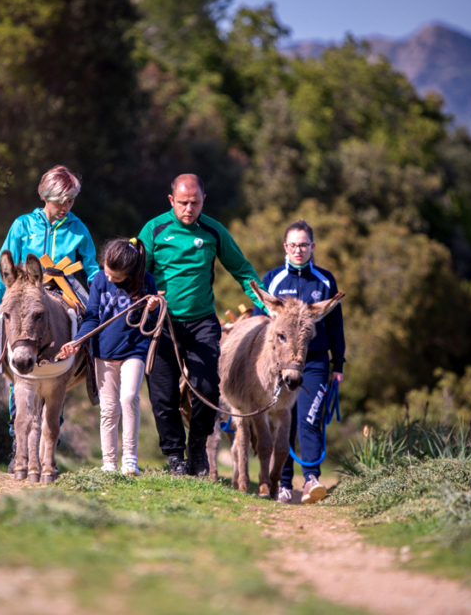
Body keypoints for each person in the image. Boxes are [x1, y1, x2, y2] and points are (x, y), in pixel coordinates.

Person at [138, 174, 266, 477]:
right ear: (171, 201)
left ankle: (197, 447)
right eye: (182, 203)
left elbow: (242, 269)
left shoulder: (213, 231)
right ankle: (174, 457)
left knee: (207, 388)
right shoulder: (154, 230)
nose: (189, 208)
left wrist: (264, 304)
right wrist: (146, 293)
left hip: (202, 324)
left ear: (203, 201)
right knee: (163, 395)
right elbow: (136, 272)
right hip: (162, 324)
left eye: (195, 202)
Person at [0, 166, 100, 464]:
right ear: (45, 196)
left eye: (71, 200)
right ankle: (16, 438)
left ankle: (93, 377)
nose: (66, 207)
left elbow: (93, 268)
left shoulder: (78, 228)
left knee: (94, 329)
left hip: (66, 289)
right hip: (23, 292)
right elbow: (2, 268)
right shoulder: (22, 225)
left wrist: (107, 292)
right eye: (61, 200)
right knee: (0, 325)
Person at [255, 220, 344, 505]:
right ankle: (281, 482)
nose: (298, 250)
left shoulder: (326, 280)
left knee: (309, 419)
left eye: (303, 245)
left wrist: (338, 364)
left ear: (312, 247)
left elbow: (336, 327)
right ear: (285, 247)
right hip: (279, 365)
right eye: (292, 245)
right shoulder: (272, 279)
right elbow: (259, 323)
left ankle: (311, 480)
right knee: (283, 422)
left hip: (315, 362)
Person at [58, 239, 159, 476]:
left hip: (134, 349)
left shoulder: (147, 282)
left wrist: (151, 310)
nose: (110, 279)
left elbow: (153, 325)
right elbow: (92, 317)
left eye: (116, 276)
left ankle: (130, 460)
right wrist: (78, 340)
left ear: (131, 273)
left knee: (129, 397)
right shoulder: (100, 280)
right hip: (103, 351)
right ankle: (109, 464)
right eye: (107, 272)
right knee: (109, 408)